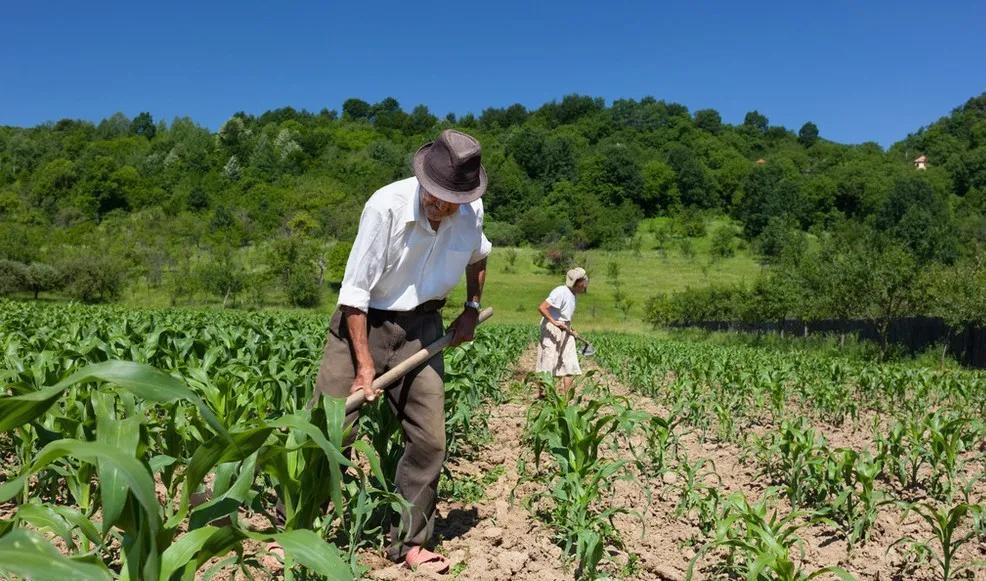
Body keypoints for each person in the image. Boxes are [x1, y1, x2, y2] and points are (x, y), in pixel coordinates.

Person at [315, 129, 491, 573]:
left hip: (424, 329)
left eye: (451, 197)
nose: (441, 204)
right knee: (330, 429)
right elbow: (353, 294)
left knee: (430, 441)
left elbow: (478, 257)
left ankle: (409, 542)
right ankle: (295, 523)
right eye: (435, 193)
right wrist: (364, 364)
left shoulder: (471, 214)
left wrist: (471, 308)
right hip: (364, 322)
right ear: (423, 179)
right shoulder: (385, 207)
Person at [536, 267, 589, 393]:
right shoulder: (560, 291)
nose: (586, 284)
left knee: (570, 363)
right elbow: (542, 308)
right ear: (578, 282)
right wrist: (555, 322)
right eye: (584, 281)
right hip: (552, 328)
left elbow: (564, 316)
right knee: (548, 362)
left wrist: (572, 329)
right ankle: (544, 396)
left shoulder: (573, 295)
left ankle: (565, 401)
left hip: (565, 328)